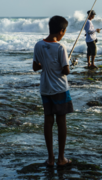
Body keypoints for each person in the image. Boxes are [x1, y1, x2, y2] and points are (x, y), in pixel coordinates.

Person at [33, 15, 73, 167]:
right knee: (61, 121)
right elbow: (66, 71)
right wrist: (67, 63)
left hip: (45, 88)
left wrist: (47, 64)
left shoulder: (38, 45)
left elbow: (35, 67)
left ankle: (50, 158)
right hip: (60, 88)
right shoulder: (61, 47)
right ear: (61, 31)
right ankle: (61, 158)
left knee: (48, 121)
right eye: (65, 31)